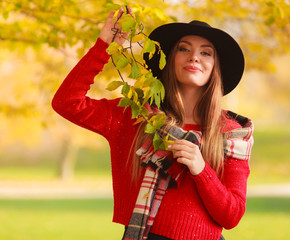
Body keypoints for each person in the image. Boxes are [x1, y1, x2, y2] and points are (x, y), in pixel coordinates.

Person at [52, 8, 254, 240]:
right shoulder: (136, 116)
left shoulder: (232, 133)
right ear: (169, 59)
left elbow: (232, 216)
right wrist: (104, 45)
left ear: (215, 68)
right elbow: (67, 102)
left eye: (206, 53)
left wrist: (201, 169)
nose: (194, 57)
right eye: (184, 49)